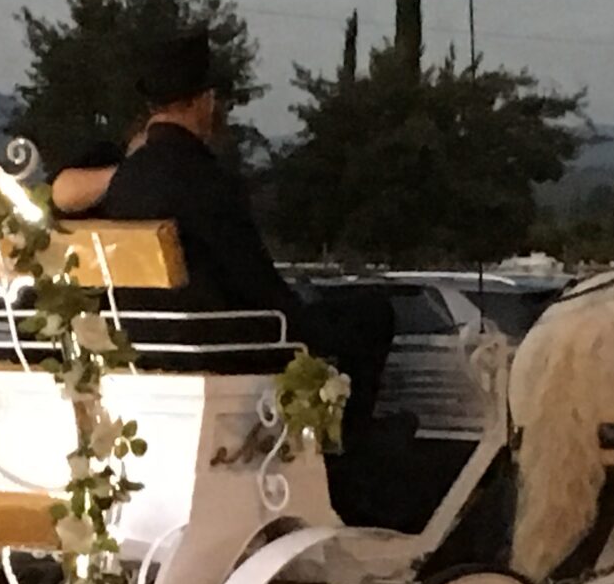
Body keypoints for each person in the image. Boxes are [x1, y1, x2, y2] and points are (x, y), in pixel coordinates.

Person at [100, 31, 401, 517]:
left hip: (150, 343)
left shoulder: (127, 181)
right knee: (370, 316)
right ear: (204, 101)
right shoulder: (204, 179)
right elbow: (259, 286)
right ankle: (344, 470)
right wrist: (305, 324)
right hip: (224, 343)